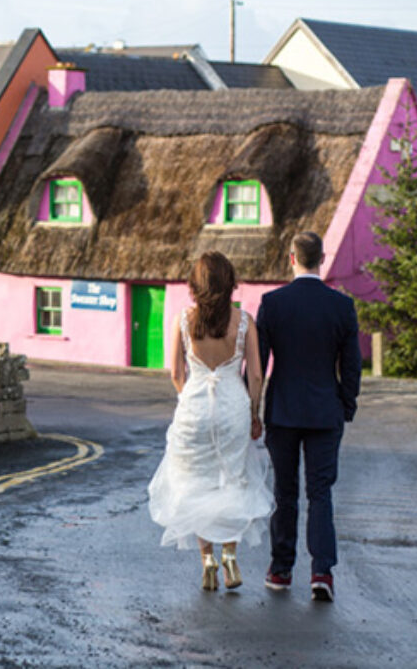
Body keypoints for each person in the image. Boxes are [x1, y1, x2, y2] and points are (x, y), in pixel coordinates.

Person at [149, 251, 274, 591]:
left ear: (196, 285)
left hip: (195, 407)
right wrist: (253, 412)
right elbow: (258, 375)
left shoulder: (182, 320)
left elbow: (176, 371)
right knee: (232, 479)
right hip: (232, 405)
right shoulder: (244, 321)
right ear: (230, 281)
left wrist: (187, 397)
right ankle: (230, 556)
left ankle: (207, 560)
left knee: (195, 483)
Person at [257, 231, 361, 603]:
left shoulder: (272, 303)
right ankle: (322, 572)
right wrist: (346, 405)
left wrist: (252, 409)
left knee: (285, 493)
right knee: (320, 493)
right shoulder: (341, 307)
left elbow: (258, 364)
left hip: (282, 412)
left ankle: (281, 569)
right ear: (323, 258)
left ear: (291, 258)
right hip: (324, 412)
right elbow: (351, 366)